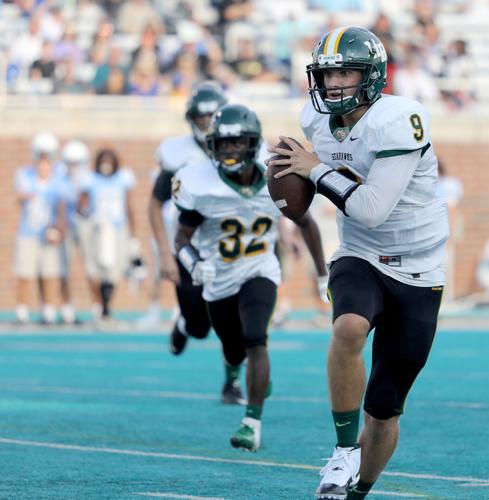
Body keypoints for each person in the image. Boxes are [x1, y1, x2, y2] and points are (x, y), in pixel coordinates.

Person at [267, 27, 448, 499]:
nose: (335, 84)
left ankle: (359, 489)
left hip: (419, 264)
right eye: (327, 74)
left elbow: (372, 207)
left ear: (371, 74)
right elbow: (337, 203)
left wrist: (314, 170)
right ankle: (344, 450)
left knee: (385, 409)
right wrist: (291, 176)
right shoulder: (315, 119)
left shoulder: (400, 118)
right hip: (360, 253)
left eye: (345, 71)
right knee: (348, 326)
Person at [173, 103, 328, 452]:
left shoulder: (275, 176)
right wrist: (194, 263)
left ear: (252, 142)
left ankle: (252, 422)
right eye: (223, 144)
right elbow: (181, 240)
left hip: (260, 268)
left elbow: (306, 223)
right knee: (233, 347)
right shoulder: (199, 182)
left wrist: (322, 274)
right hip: (218, 277)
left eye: (236, 143)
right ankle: (238, 375)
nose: (229, 150)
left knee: (256, 338)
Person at [146, 82, 249, 404]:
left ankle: (231, 383)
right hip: (189, 246)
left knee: (235, 320)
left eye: (212, 118)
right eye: (201, 118)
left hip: (229, 246)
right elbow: (153, 203)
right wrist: (164, 254)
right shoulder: (180, 156)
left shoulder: (243, 147)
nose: (206, 125)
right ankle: (184, 321)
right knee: (201, 326)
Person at [77, 148, 138, 325]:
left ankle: (106, 306)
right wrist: (86, 214)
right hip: (97, 228)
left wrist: (133, 234)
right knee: (97, 268)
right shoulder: (91, 179)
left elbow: (128, 205)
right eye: (103, 160)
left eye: (109, 160)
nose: (106, 164)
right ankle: (100, 306)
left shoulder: (123, 178)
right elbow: (82, 201)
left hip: (118, 228)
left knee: (114, 269)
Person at [14, 131, 66, 325]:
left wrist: (58, 228)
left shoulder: (58, 177)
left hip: (48, 233)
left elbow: (61, 206)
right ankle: (22, 309)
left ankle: (49, 309)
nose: (44, 161)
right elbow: (20, 196)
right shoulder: (24, 175)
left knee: (49, 273)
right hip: (28, 232)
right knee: (25, 272)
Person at [57, 140, 92, 324]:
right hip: (69, 225)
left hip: (87, 226)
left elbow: (86, 204)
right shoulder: (62, 179)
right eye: (70, 163)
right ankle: (67, 308)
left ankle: (98, 307)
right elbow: (62, 205)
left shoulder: (90, 179)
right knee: (65, 268)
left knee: (91, 268)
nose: (73, 167)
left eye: (76, 163)